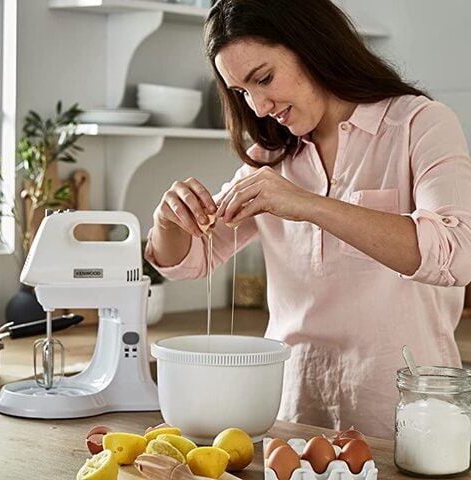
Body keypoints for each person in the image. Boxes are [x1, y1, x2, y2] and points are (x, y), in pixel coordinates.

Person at [145, 0, 471, 439]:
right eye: (242, 92)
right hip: (291, 416)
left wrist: (307, 204)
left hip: (404, 419)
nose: (258, 106)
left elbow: (458, 253)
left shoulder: (419, 124)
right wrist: (169, 220)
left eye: (263, 78)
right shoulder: (271, 157)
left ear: (313, 45)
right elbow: (189, 260)